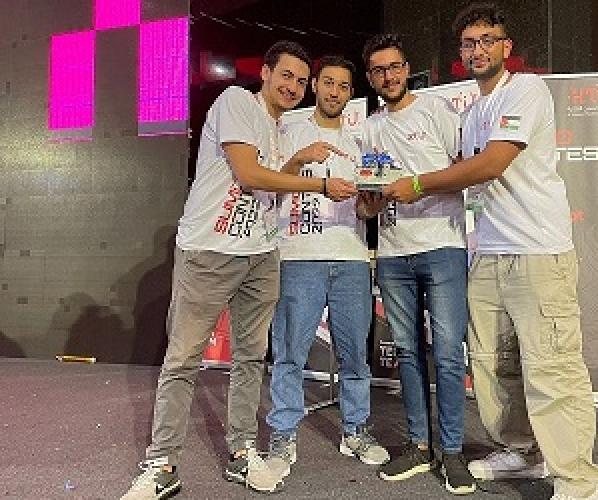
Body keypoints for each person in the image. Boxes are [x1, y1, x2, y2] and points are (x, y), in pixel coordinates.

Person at [382, 4, 598, 500]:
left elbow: (491, 164)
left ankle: (577, 482)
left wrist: (414, 183)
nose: (478, 50)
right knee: (492, 365)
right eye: (469, 43)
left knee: (552, 369)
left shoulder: (525, 90)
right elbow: (459, 169)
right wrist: (381, 185)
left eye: (487, 40)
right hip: (488, 251)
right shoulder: (472, 113)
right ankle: (522, 452)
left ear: (506, 46)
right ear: (460, 53)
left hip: (537, 250)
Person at [120, 41, 357, 500]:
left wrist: (296, 162)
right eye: (285, 75)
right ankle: (161, 464)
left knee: (251, 359)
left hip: (261, 254)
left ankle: (242, 451)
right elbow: (249, 176)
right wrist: (320, 183)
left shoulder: (278, 128)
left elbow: (270, 187)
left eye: (301, 81)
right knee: (183, 359)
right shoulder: (236, 102)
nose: (293, 87)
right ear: (265, 73)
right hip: (210, 250)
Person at [358, 34, 475, 496]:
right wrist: (369, 203)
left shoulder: (437, 111)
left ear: (407, 69)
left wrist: (418, 185)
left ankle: (453, 451)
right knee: (407, 352)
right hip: (392, 252)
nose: (388, 76)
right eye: (378, 70)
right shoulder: (368, 129)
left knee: (447, 354)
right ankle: (419, 445)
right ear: (370, 78)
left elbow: (465, 171)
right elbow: (366, 205)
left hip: (443, 246)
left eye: (395, 67)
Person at [263, 55, 389, 483]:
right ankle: (282, 435)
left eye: (343, 86)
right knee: (289, 354)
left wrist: (372, 204)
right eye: (328, 83)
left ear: (351, 93)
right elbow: (269, 184)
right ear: (315, 85)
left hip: (351, 257)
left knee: (355, 355)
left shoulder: (359, 142)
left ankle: (355, 430)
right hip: (298, 256)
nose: (335, 92)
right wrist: (300, 159)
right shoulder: (289, 130)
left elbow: (364, 210)